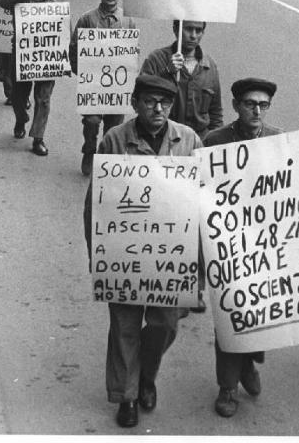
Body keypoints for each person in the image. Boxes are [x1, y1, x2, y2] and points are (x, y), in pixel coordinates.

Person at [83, 74, 202, 428]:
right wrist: (98, 255)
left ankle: (147, 373)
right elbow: (96, 205)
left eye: (165, 103)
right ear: (135, 104)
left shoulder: (189, 140)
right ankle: (128, 396)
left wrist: (198, 262)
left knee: (165, 324)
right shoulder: (115, 140)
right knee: (124, 326)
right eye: (150, 101)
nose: (158, 109)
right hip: (124, 256)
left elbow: (205, 198)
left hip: (171, 261)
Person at [203, 77, 282, 417]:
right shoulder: (215, 141)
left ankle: (249, 362)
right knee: (228, 318)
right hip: (227, 246)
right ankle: (227, 388)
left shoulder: (279, 141)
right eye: (250, 103)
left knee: (260, 315)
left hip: (266, 248)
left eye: (263, 105)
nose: (257, 110)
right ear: (236, 106)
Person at [140, 20, 223, 311]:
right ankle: (159, 277)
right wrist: (167, 73)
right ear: (176, 30)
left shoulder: (209, 67)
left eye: (199, 30)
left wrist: (208, 148)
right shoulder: (158, 59)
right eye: (188, 29)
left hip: (194, 151)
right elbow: (142, 100)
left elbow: (216, 116)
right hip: (162, 151)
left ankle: (195, 286)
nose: (193, 35)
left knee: (198, 223)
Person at [0, 0, 67, 156]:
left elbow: (65, 28)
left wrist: (65, 56)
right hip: (22, 56)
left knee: (43, 98)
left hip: (48, 58)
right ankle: (21, 119)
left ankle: (38, 138)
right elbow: (3, 2)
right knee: (18, 95)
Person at [69, 0, 136, 176]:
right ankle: (89, 150)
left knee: (114, 126)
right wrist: (81, 71)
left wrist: (130, 75)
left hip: (117, 85)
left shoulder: (128, 20)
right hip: (93, 84)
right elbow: (74, 47)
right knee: (91, 121)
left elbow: (133, 51)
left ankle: (105, 158)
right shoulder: (87, 19)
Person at [0, 0, 31, 105]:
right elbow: (2, 1)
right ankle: (12, 94)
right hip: (8, 24)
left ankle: (22, 97)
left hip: (29, 30)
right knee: (8, 63)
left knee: (25, 67)